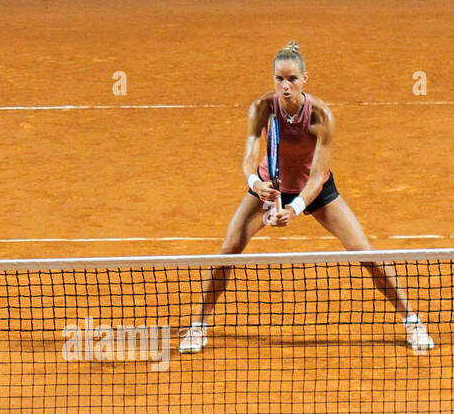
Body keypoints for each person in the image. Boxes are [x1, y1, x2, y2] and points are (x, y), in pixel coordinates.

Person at [179, 40, 434, 353]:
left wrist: (295, 209)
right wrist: (255, 183)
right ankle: (199, 325)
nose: (285, 86)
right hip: (268, 187)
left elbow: (316, 176)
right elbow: (248, 157)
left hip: (315, 191)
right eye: (279, 79)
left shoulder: (321, 116)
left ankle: (412, 320)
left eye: (292, 79)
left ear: (304, 79)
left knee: (364, 252)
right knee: (228, 249)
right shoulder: (261, 109)